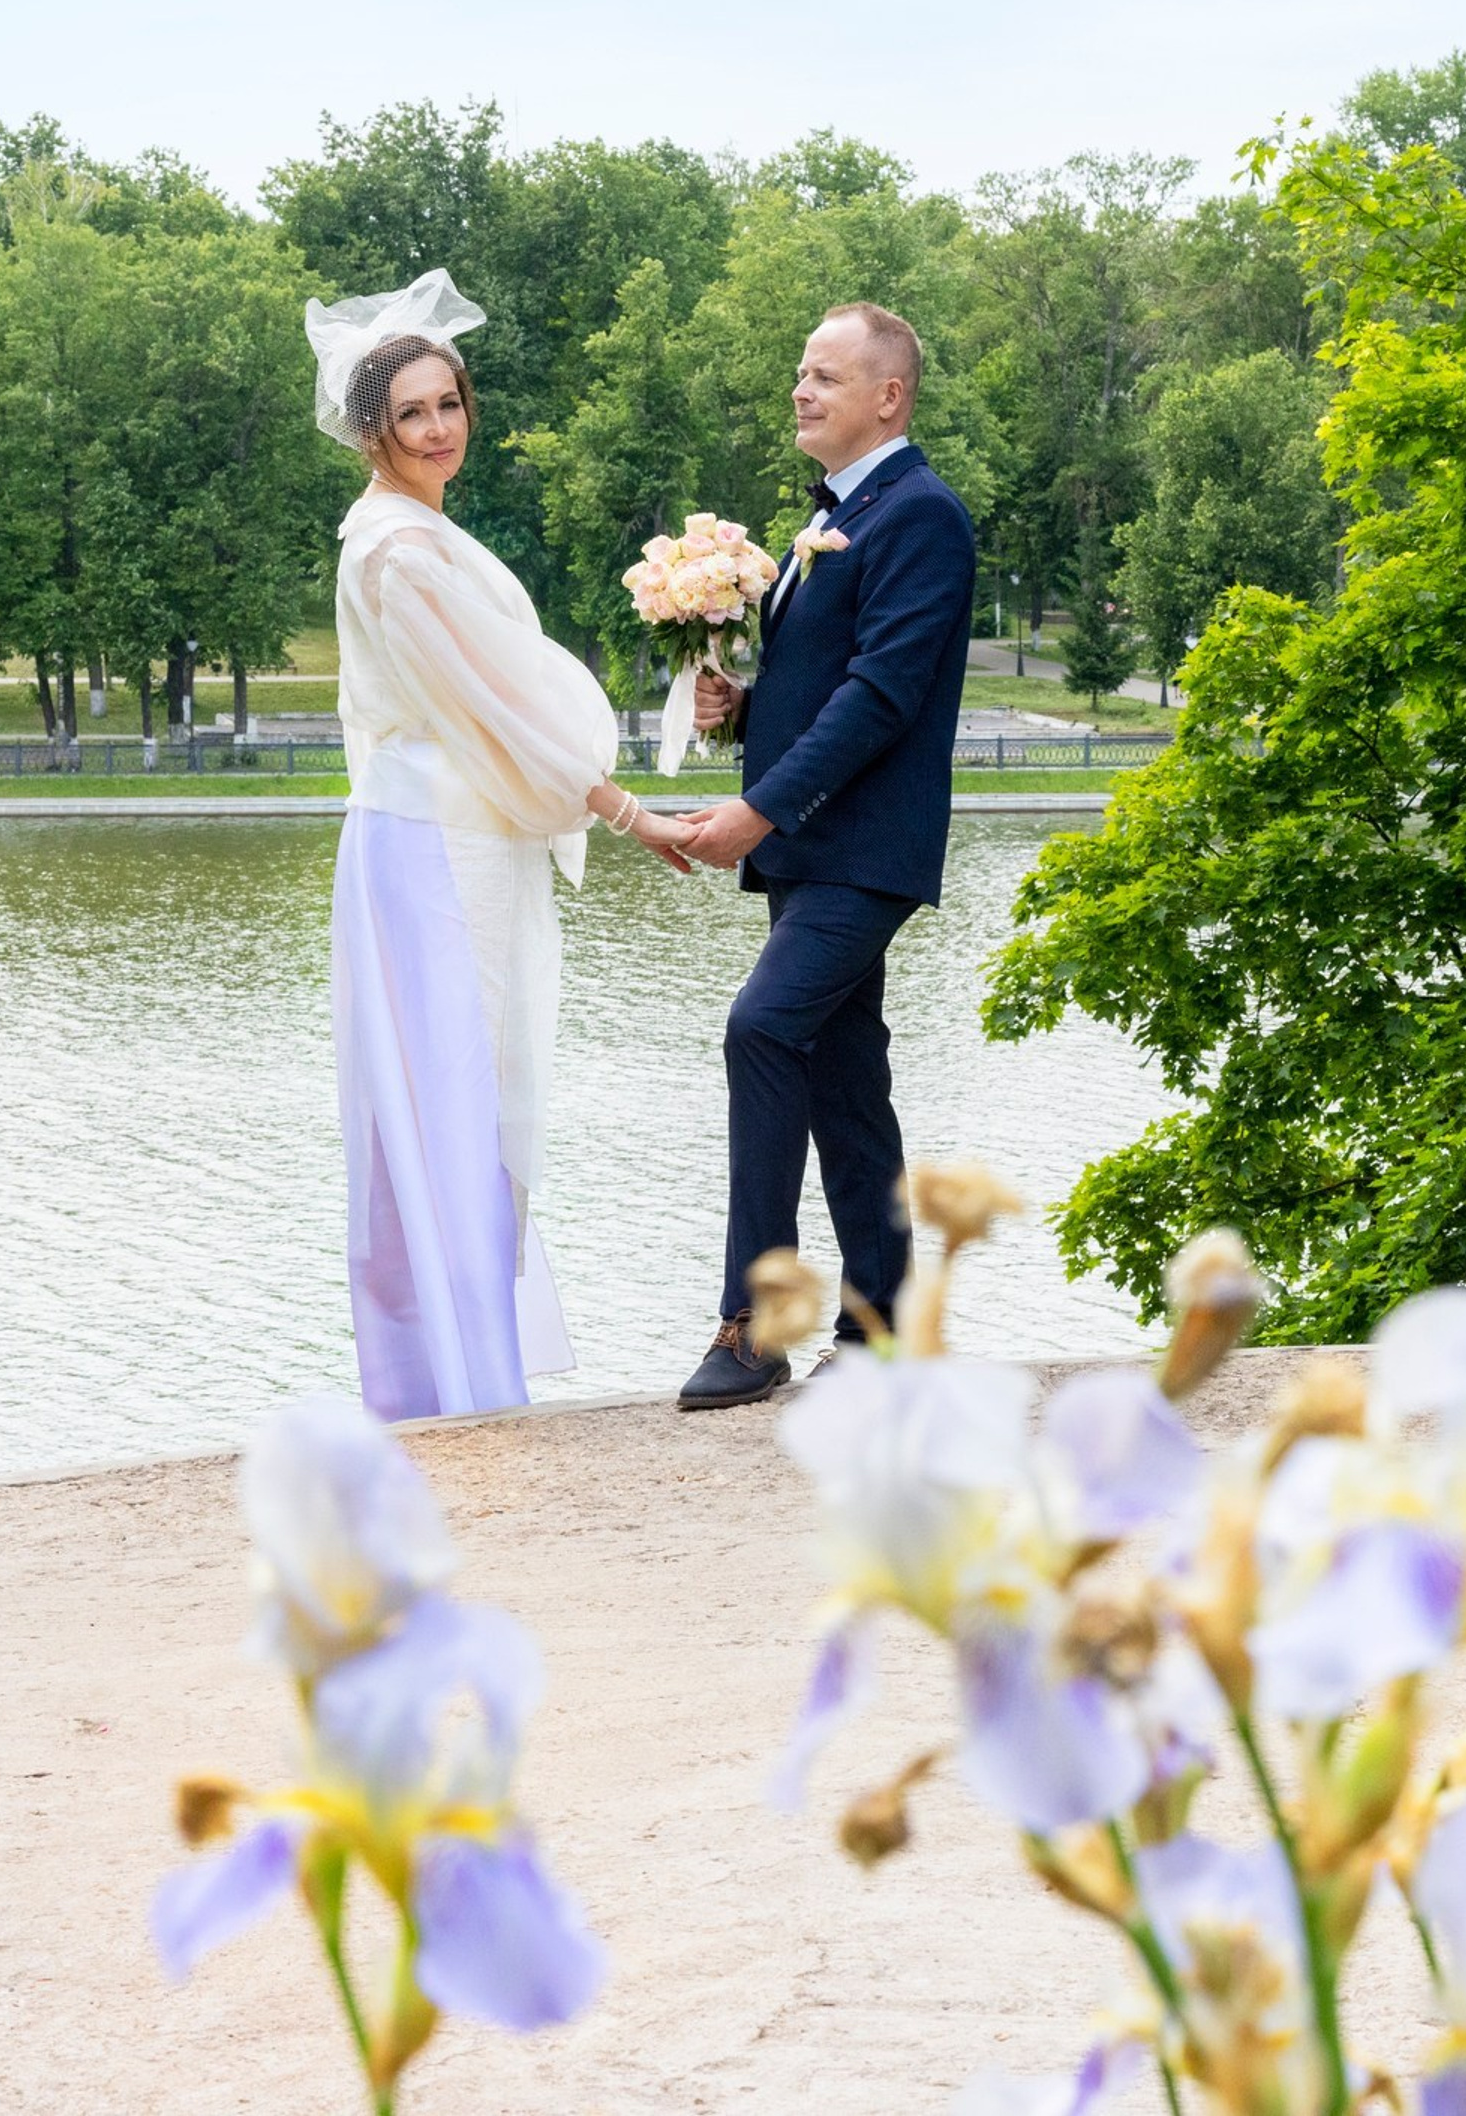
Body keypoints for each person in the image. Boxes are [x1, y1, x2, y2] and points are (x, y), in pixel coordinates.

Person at [315, 270, 698, 1420]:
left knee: (452, 1102)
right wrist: (633, 814)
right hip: (434, 848)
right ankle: (454, 1385)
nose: (437, 429)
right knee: (452, 1103)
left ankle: (447, 1374)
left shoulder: (412, 533)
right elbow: (495, 714)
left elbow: (495, 708)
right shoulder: (397, 553)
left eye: (450, 404)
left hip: (439, 833)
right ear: (370, 429)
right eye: (411, 413)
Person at [670, 302, 977, 1408]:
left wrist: (758, 808)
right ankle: (882, 1325)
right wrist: (744, 707)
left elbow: (883, 696)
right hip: (819, 848)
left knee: (762, 1028)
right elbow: (827, 685)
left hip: (862, 849)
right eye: (799, 374)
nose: (800, 391)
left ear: (886, 395)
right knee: (847, 1083)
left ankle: (754, 1326)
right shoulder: (834, 518)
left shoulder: (921, 516)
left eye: (824, 376)